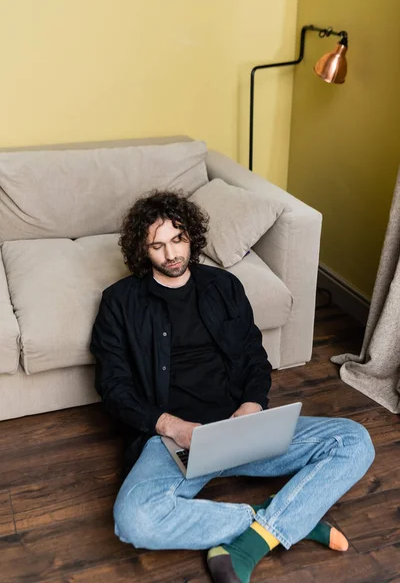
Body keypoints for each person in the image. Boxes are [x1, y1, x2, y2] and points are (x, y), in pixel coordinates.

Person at [90, 189, 375, 583]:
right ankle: (281, 522)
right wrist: (171, 426)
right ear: (143, 250)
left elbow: (254, 358)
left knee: (355, 440)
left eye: (178, 239)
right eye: (157, 246)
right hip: (174, 442)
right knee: (134, 520)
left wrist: (252, 407)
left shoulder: (224, 287)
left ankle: (268, 527)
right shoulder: (119, 303)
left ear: (191, 236)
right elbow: (113, 386)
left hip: (241, 429)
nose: (171, 254)